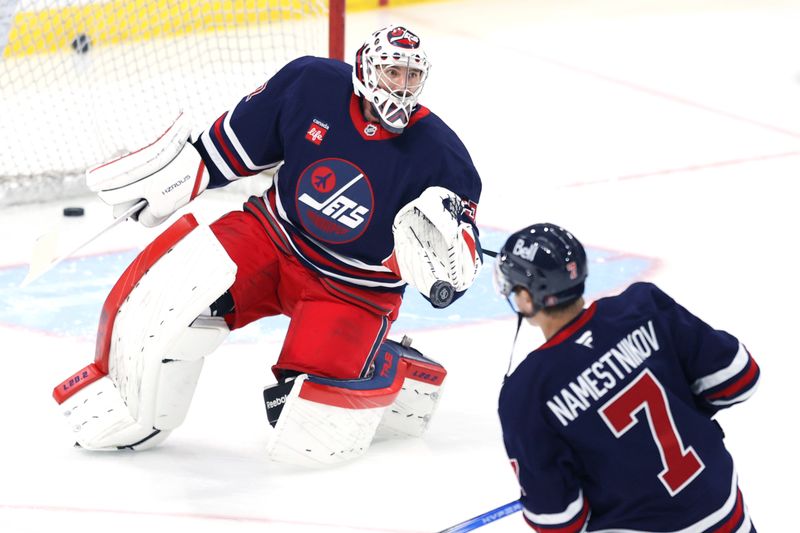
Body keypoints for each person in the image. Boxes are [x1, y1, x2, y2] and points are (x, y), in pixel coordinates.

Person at [52, 24, 483, 466]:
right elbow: (227, 150)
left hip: (354, 290)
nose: (402, 86)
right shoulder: (310, 85)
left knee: (304, 421)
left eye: (412, 77)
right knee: (169, 292)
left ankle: (391, 368)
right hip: (271, 236)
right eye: (393, 72)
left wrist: (449, 267)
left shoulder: (443, 158)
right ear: (366, 68)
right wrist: (177, 179)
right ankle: (129, 405)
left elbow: (451, 263)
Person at [492, 223, 758, 532]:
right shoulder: (644, 306)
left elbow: (560, 522)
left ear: (526, 297)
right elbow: (739, 378)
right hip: (723, 514)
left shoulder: (527, 392)